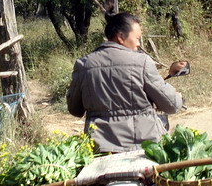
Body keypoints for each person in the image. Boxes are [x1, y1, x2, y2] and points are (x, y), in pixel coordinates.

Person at [66, 12, 184, 153]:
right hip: (145, 147)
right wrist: (178, 97)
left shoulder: (83, 65)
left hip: (100, 148)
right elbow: (171, 105)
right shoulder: (142, 62)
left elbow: (75, 109)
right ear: (121, 37)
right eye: (137, 38)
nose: (139, 44)